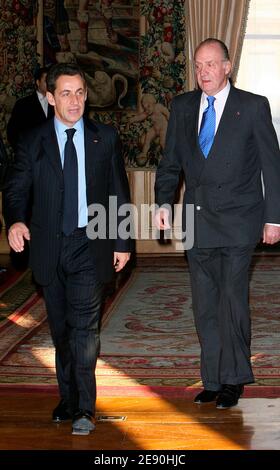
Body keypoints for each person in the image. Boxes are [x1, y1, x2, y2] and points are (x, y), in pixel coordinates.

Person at [4, 62, 132, 435]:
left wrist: (122, 240)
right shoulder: (32, 141)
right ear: (50, 97)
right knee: (61, 331)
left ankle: (85, 409)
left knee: (84, 330)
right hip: (48, 247)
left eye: (79, 92)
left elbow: (117, 193)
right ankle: (68, 398)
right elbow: (15, 189)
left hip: (89, 245)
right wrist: (14, 220)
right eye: (65, 93)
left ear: (86, 96)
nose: (74, 101)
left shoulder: (104, 137)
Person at [155, 38, 280, 409]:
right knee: (205, 303)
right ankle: (212, 379)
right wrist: (163, 203)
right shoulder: (182, 107)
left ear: (227, 67)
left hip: (240, 221)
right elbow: (170, 163)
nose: (203, 72)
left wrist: (274, 218)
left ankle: (234, 379)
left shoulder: (253, 107)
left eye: (210, 64)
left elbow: (272, 168)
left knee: (231, 300)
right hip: (197, 220)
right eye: (198, 65)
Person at [7, 67, 54, 151]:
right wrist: (22, 152)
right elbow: (12, 132)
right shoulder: (23, 104)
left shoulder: (57, 103)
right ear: (38, 82)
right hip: (30, 155)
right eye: (46, 80)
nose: (49, 83)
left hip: (53, 155)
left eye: (51, 80)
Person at [128, 94, 170, 166]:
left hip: (163, 127)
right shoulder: (148, 112)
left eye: (148, 106)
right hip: (155, 128)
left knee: (162, 142)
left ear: (153, 103)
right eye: (145, 108)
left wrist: (171, 122)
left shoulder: (158, 107)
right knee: (148, 136)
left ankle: (168, 156)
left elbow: (167, 113)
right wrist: (132, 119)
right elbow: (140, 117)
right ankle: (144, 153)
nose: (147, 110)